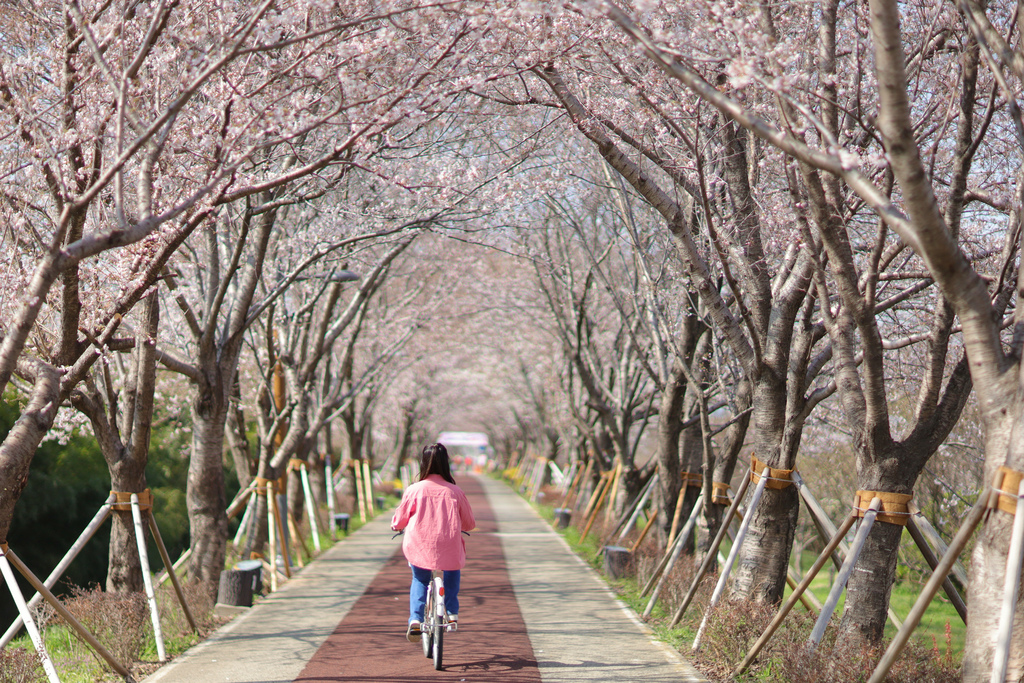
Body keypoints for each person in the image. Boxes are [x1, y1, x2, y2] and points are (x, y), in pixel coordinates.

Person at [391, 442, 475, 642]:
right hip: (449, 543)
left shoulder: (414, 490)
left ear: (424, 463)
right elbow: (469, 523)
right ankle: (452, 613)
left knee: (420, 579)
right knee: (452, 571)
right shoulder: (455, 491)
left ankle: (416, 619)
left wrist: (397, 526)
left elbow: (399, 520)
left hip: (420, 543)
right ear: (446, 463)